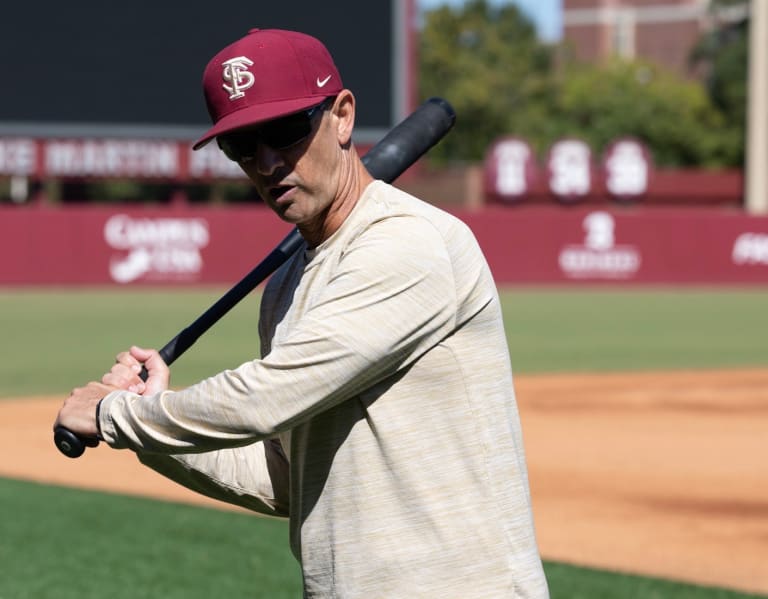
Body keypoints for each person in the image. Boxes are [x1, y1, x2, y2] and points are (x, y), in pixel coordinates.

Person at [54, 28, 549, 597]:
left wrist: (116, 415)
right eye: (242, 145)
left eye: (285, 132)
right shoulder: (286, 284)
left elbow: (265, 398)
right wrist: (146, 425)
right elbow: (290, 478)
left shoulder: (408, 244)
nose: (266, 163)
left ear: (342, 117)